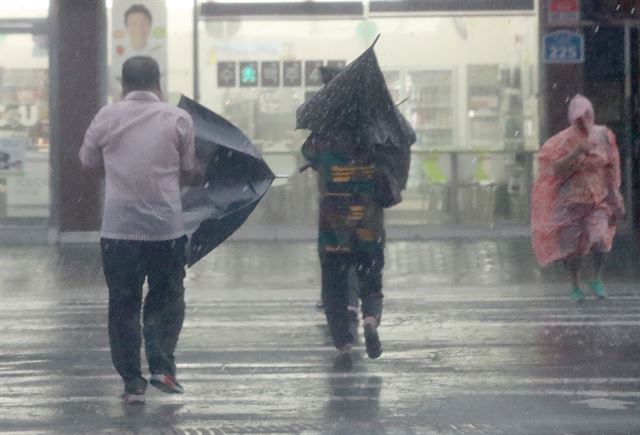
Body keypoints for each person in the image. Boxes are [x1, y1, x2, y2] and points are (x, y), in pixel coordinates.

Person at [79, 56, 196, 404]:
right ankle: (161, 366)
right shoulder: (178, 119)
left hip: (119, 229)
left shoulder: (106, 116)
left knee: (123, 302)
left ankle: (132, 380)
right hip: (166, 228)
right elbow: (188, 170)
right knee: (166, 295)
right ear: (158, 83)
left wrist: (116, 171)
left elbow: (87, 161)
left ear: (123, 85)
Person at [302, 123, 401, 370]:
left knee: (333, 286)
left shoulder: (324, 134)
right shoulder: (379, 134)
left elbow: (309, 155)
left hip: (333, 226)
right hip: (368, 224)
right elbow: (391, 171)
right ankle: (369, 319)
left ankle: (343, 345)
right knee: (370, 281)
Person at [531, 94, 624, 302]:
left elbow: (612, 165)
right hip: (570, 204)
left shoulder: (603, 136)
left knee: (600, 238)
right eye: (579, 117)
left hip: (598, 200)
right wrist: (575, 153)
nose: (583, 121)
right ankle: (574, 284)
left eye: (587, 115)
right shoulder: (561, 141)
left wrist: (614, 193)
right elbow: (553, 169)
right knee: (572, 249)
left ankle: (597, 278)